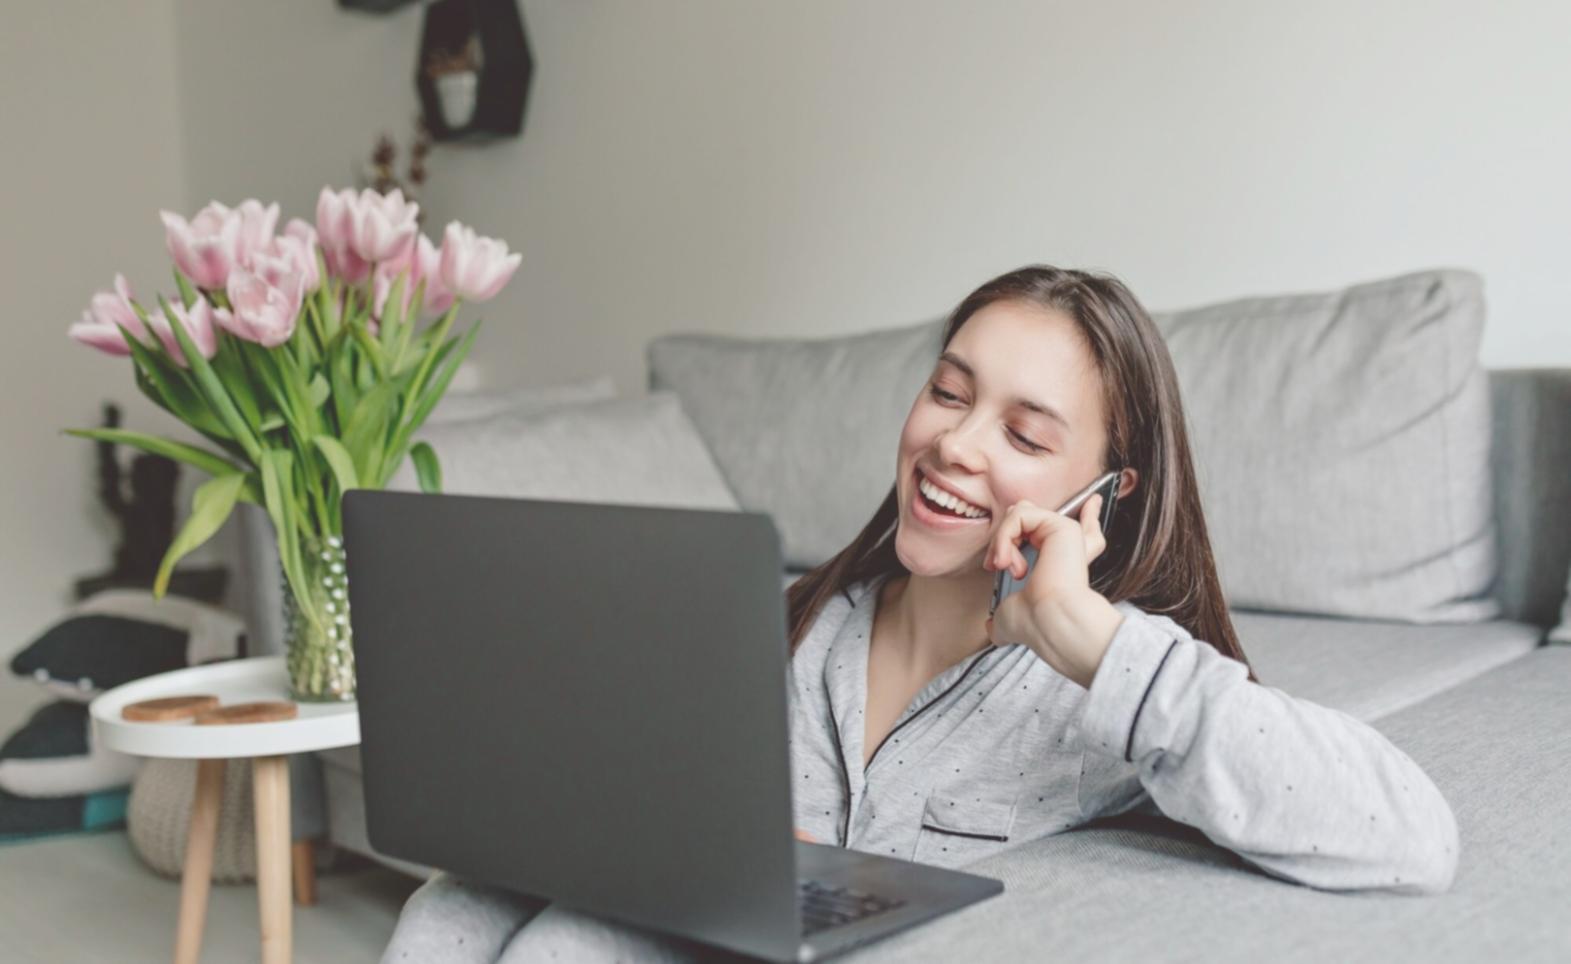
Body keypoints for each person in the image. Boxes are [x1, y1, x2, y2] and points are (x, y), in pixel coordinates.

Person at [381, 265, 1460, 963]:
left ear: (1102, 494)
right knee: (446, 910)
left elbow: (1412, 837)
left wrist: (1088, 638)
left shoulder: (1107, 693)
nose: (955, 444)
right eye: (949, 393)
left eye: (1026, 436)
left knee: (568, 948)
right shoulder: (793, 625)